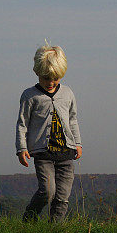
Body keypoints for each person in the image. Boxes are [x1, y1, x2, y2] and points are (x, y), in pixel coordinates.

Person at [15, 42, 82, 222]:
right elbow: (22, 124)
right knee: (47, 191)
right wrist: (22, 149)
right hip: (43, 154)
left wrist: (77, 143)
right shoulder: (30, 95)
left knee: (62, 196)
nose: (51, 83)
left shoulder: (68, 93)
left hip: (66, 153)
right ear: (37, 72)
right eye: (46, 78)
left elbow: (72, 119)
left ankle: (55, 229)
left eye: (55, 78)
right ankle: (29, 218)